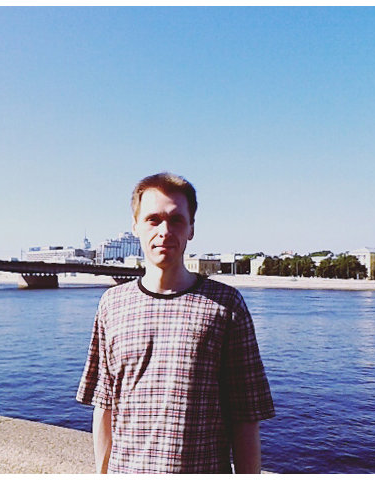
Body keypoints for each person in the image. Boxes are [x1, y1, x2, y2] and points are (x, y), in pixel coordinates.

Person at [77, 172, 275, 474]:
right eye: (153, 220)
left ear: (191, 228)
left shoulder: (226, 305)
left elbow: (246, 416)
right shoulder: (111, 304)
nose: (165, 231)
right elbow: (104, 405)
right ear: (135, 226)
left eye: (176, 220)